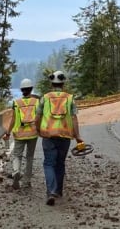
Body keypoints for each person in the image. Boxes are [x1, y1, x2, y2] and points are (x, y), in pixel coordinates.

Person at [37, 70, 83, 206]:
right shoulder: (70, 98)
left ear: (52, 83)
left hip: (48, 136)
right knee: (60, 163)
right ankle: (58, 191)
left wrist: (37, 129)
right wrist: (77, 136)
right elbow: (74, 117)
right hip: (65, 136)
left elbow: (38, 116)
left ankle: (51, 191)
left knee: (49, 163)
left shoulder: (45, 98)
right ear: (63, 83)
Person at [3, 78, 40, 189]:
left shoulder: (16, 103)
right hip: (33, 133)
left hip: (19, 134)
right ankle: (27, 181)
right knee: (29, 156)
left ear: (21, 90)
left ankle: (16, 172)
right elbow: (39, 118)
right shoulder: (37, 102)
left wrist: (8, 133)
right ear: (31, 89)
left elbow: (13, 119)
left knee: (17, 156)